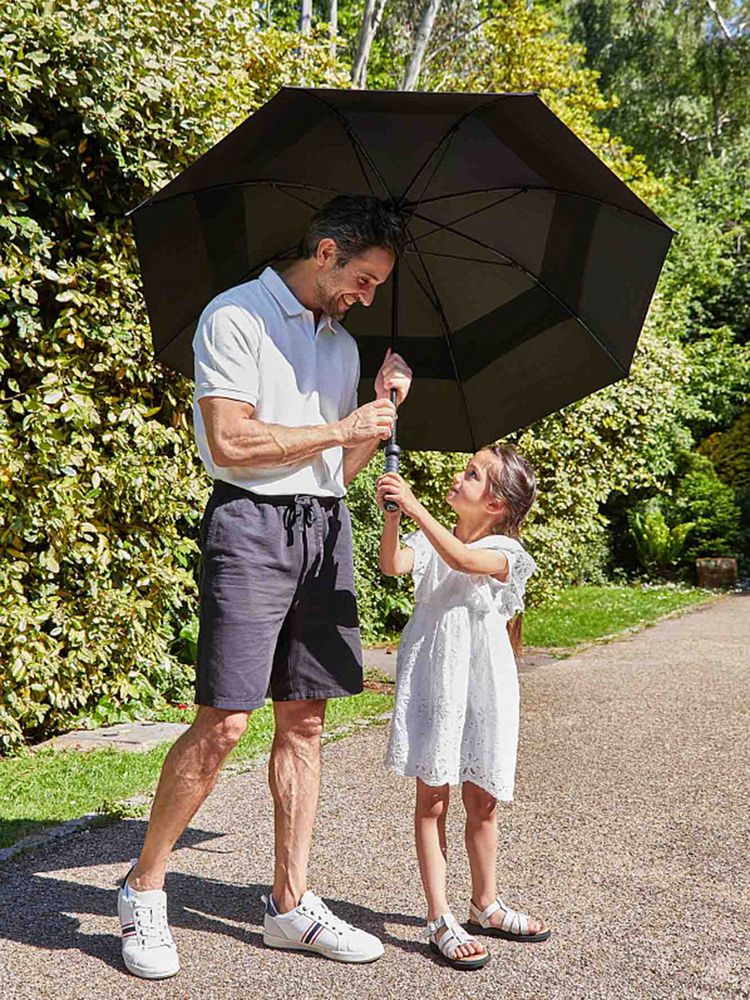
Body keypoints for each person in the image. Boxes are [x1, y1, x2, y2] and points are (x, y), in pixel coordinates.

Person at [117, 195, 413, 979]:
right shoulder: (236, 317)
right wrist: (342, 428)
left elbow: (335, 471)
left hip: (323, 526)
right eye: (363, 279)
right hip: (249, 524)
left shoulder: (343, 347)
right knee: (224, 722)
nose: (366, 297)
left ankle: (290, 904)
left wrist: (377, 412)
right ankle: (144, 889)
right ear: (325, 252)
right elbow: (231, 441)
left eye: (378, 287)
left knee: (306, 722)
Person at [376, 444, 551, 971]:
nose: (459, 475)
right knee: (433, 797)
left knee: (484, 799)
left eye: (472, 474)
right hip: (437, 681)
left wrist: (414, 506)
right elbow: (392, 565)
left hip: (484, 688)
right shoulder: (431, 540)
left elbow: (464, 560)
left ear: (495, 504)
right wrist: (393, 517)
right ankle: (438, 915)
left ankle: (485, 904)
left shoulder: (505, 551)